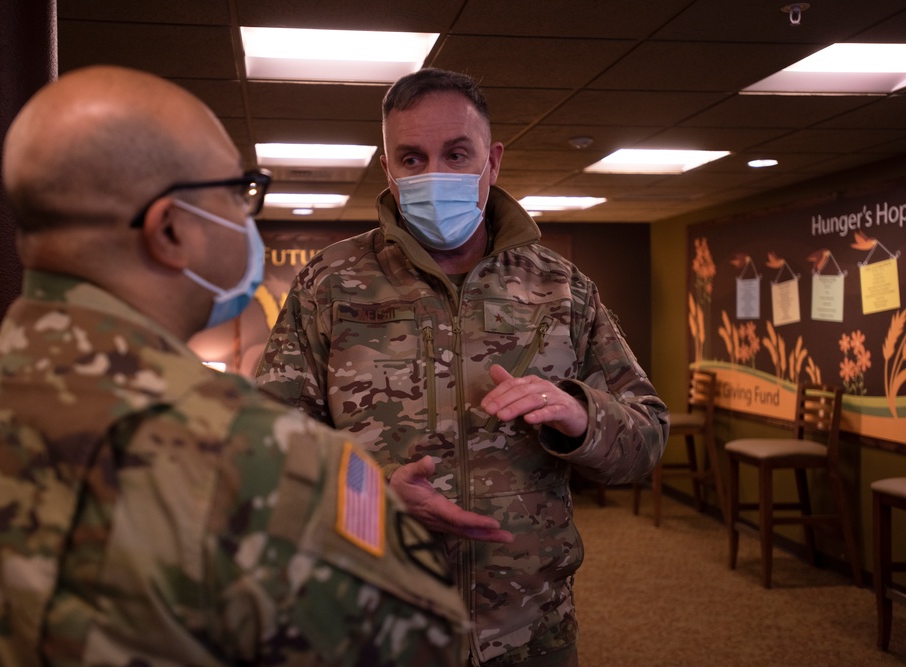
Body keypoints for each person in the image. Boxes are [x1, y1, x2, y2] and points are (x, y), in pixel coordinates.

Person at [0, 65, 469, 666]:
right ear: (172, 230)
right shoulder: (253, 453)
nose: (247, 215)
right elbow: (427, 643)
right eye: (238, 192)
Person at [255, 68, 669, 666]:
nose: (435, 175)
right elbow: (268, 452)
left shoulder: (561, 289)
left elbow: (649, 437)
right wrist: (367, 499)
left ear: (492, 161)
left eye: (456, 153)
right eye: (412, 158)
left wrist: (581, 416)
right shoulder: (330, 283)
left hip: (533, 632)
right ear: (388, 169)